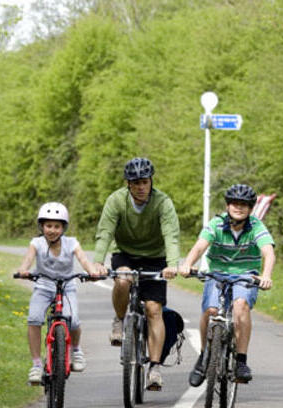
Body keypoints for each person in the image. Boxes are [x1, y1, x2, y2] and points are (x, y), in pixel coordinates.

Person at [93, 157, 180, 391]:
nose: (141, 187)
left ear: (151, 181)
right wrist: (98, 263)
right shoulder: (116, 201)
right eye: (135, 183)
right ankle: (120, 321)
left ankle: (154, 368)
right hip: (125, 253)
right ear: (128, 184)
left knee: (154, 309)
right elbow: (105, 232)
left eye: (145, 182)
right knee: (122, 280)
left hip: (155, 257)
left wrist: (172, 264)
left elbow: (171, 235)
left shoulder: (163, 202)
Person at [178, 183, 275, 386]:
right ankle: (204, 358)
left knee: (241, 306)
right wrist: (187, 264)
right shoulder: (216, 224)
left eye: (243, 204)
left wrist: (266, 275)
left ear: (250, 208)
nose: (238, 208)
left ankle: (241, 361)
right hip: (217, 273)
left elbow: (268, 252)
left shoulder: (256, 226)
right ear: (227, 205)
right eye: (234, 203)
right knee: (211, 310)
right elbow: (199, 247)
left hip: (245, 275)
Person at [16, 202, 104, 385]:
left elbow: (83, 260)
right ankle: (36, 365)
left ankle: (76, 351)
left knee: (73, 319)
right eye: (48, 226)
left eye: (57, 226)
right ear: (42, 226)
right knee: (34, 319)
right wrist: (23, 270)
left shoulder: (72, 243)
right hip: (43, 286)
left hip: (66, 287)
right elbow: (28, 260)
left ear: (63, 227)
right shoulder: (37, 243)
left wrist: (91, 271)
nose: (52, 230)